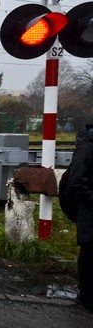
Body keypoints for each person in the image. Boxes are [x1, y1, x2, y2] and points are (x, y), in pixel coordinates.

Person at [67, 124, 93, 311]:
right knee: (90, 250)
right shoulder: (86, 149)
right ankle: (85, 297)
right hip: (90, 211)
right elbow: (76, 181)